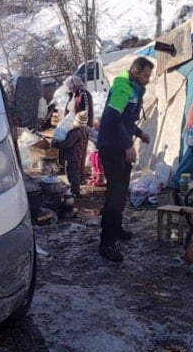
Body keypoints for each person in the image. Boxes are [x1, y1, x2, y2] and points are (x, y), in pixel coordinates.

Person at [95, 57, 154, 262]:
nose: (148, 80)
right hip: (112, 147)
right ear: (135, 73)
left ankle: (117, 228)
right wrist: (127, 144)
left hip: (120, 145)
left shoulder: (134, 89)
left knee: (121, 191)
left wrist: (138, 133)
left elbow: (125, 120)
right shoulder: (123, 89)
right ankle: (106, 243)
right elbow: (112, 117)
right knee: (115, 193)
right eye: (145, 75)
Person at [56, 110, 90, 207]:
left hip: (71, 155)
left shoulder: (75, 133)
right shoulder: (85, 130)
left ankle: (76, 192)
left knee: (72, 173)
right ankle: (75, 189)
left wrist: (57, 144)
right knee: (74, 172)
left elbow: (67, 144)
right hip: (77, 154)